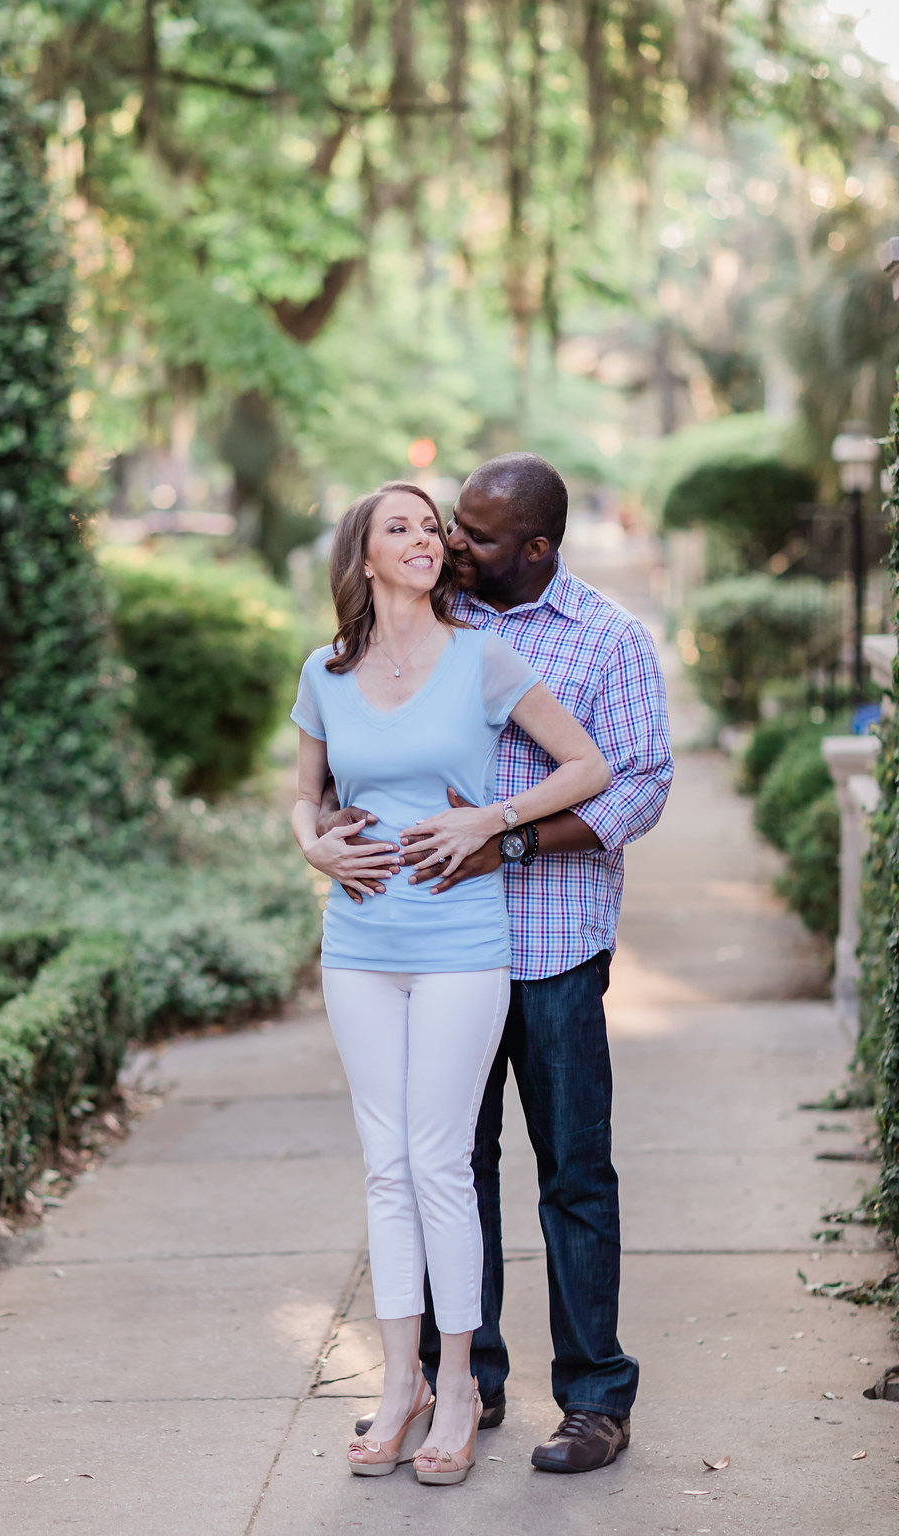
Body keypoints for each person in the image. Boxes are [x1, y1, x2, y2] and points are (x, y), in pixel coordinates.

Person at [340, 453, 673, 1474]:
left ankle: (592, 1397)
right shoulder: (439, 622)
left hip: (555, 945)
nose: (453, 548)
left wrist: (512, 840)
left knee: (573, 1172)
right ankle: (467, 1378)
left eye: (477, 537)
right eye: (450, 528)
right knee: (452, 1166)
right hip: (444, 947)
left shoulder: (606, 639)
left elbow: (640, 787)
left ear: (536, 548)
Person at [290, 480, 612, 1487]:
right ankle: (401, 1384)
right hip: (358, 947)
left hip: (461, 943)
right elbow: (303, 801)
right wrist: (316, 853)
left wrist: (492, 820)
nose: (428, 539)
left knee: (437, 1163)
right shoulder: (324, 673)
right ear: (365, 555)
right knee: (385, 1166)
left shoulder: (482, 656)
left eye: (434, 528)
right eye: (405, 528)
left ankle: (463, 1386)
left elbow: (588, 768)